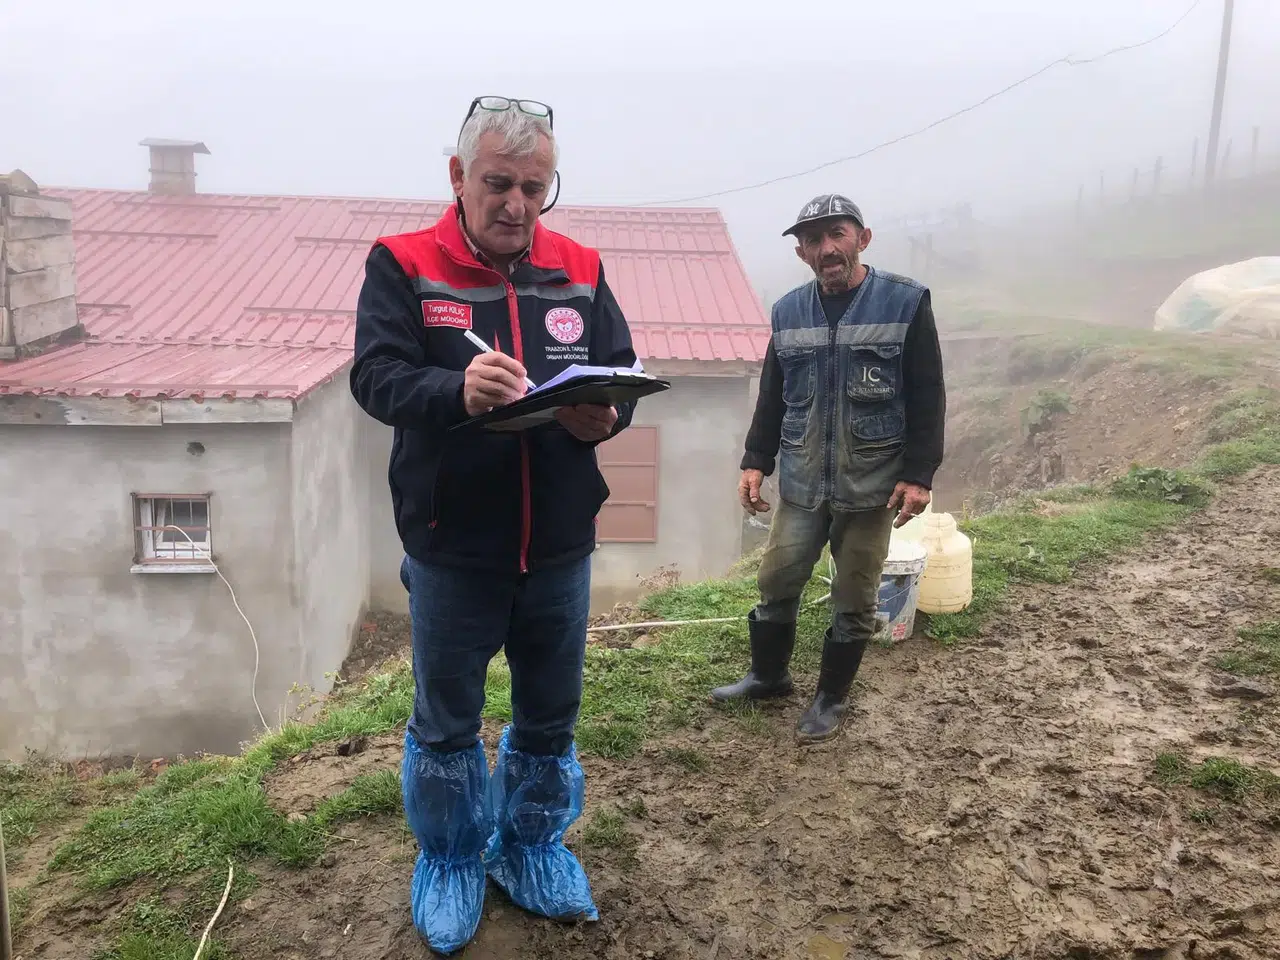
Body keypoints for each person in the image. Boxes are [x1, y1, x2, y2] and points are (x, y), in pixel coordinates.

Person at [350, 96, 639, 955]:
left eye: (535, 187)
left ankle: (530, 848)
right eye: (499, 183)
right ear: (458, 177)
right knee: (446, 718)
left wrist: (605, 417)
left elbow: (618, 371)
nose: (517, 204)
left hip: (558, 543)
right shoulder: (403, 265)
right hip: (451, 546)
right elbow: (375, 378)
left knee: (550, 712)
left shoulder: (580, 267)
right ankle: (449, 858)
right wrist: (454, 391)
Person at [712, 194, 946, 744]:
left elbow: (928, 391)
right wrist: (755, 460)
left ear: (862, 239)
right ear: (801, 252)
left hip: (872, 484)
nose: (827, 248)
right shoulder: (788, 311)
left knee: (855, 593)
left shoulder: (905, 302)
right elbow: (774, 393)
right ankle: (768, 677)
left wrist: (919, 473)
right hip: (800, 477)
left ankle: (830, 697)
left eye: (837, 234)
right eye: (814, 240)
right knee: (777, 579)